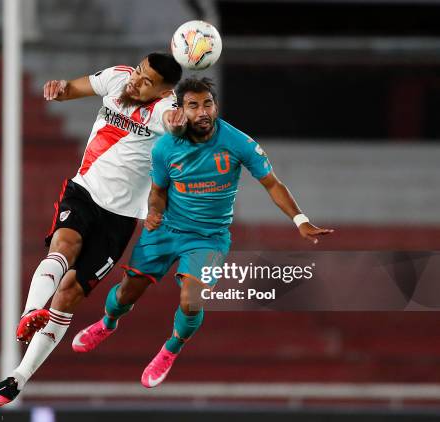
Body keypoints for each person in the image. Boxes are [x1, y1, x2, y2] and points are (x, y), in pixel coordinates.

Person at [72, 77, 334, 388]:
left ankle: (171, 349)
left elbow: (273, 184)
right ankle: (108, 322)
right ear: (180, 110)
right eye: (193, 106)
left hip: (208, 237)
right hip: (166, 229)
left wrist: (300, 219)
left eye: (207, 104)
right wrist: (153, 213)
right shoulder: (165, 147)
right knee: (128, 291)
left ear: (215, 105)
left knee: (191, 301)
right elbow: (157, 191)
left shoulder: (238, 142)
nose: (203, 112)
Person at [0, 53, 184, 407]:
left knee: (70, 292)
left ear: (164, 91)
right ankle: (30, 314)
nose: (136, 81)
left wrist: (185, 123)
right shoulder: (118, 78)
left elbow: (182, 128)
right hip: (83, 191)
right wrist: (59, 90)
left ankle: (16, 379)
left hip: (119, 219)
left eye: (147, 81)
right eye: (138, 71)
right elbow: (75, 88)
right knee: (63, 244)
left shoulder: (167, 111)